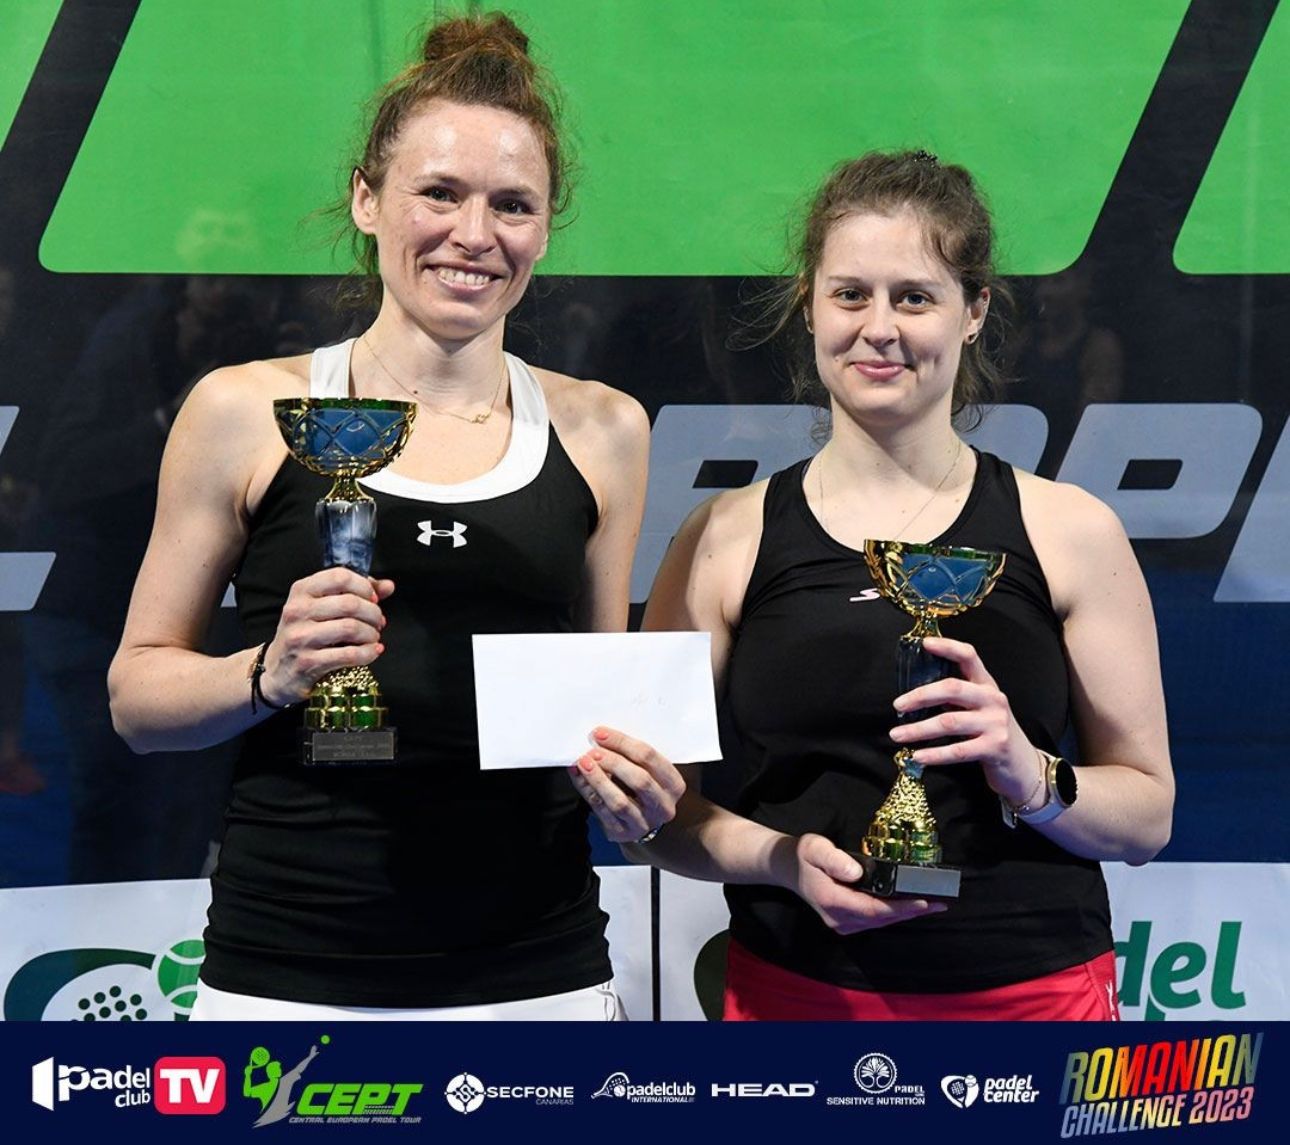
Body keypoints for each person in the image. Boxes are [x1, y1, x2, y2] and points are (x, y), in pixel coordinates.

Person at [108, 11, 654, 1020]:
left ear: (546, 226)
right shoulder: (244, 409)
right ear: (367, 198)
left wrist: (636, 786)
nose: (474, 235)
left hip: (538, 976)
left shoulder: (604, 429)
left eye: (513, 204)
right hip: (288, 973)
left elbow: (599, 703)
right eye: (438, 192)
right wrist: (268, 671)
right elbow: (136, 700)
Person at [570, 150, 1174, 1020]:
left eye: (915, 297)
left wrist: (1031, 774)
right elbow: (660, 822)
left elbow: (1148, 816)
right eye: (850, 294)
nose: (879, 328)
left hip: (1034, 1005)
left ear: (974, 312)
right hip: (794, 1001)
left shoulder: (1071, 530)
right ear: (810, 305)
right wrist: (783, 860)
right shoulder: (722, 539)